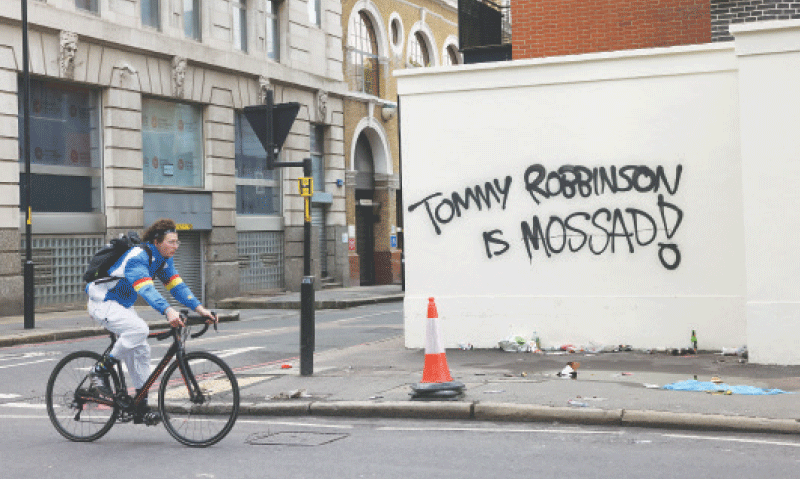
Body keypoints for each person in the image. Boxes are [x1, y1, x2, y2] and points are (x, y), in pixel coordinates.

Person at [85, 218, 216, 425]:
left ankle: (140, 407)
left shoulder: (163, 261)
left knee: (141, 349)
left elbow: (178, 288)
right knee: (139, 330)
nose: (176, 246)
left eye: (177, 242)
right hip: (103, 301)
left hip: (122, 305)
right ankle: (99, 371)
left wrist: (201, 310)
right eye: (171, 242)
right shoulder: (138, 257)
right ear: (157, 241)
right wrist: (168, 311)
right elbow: (145, 289)